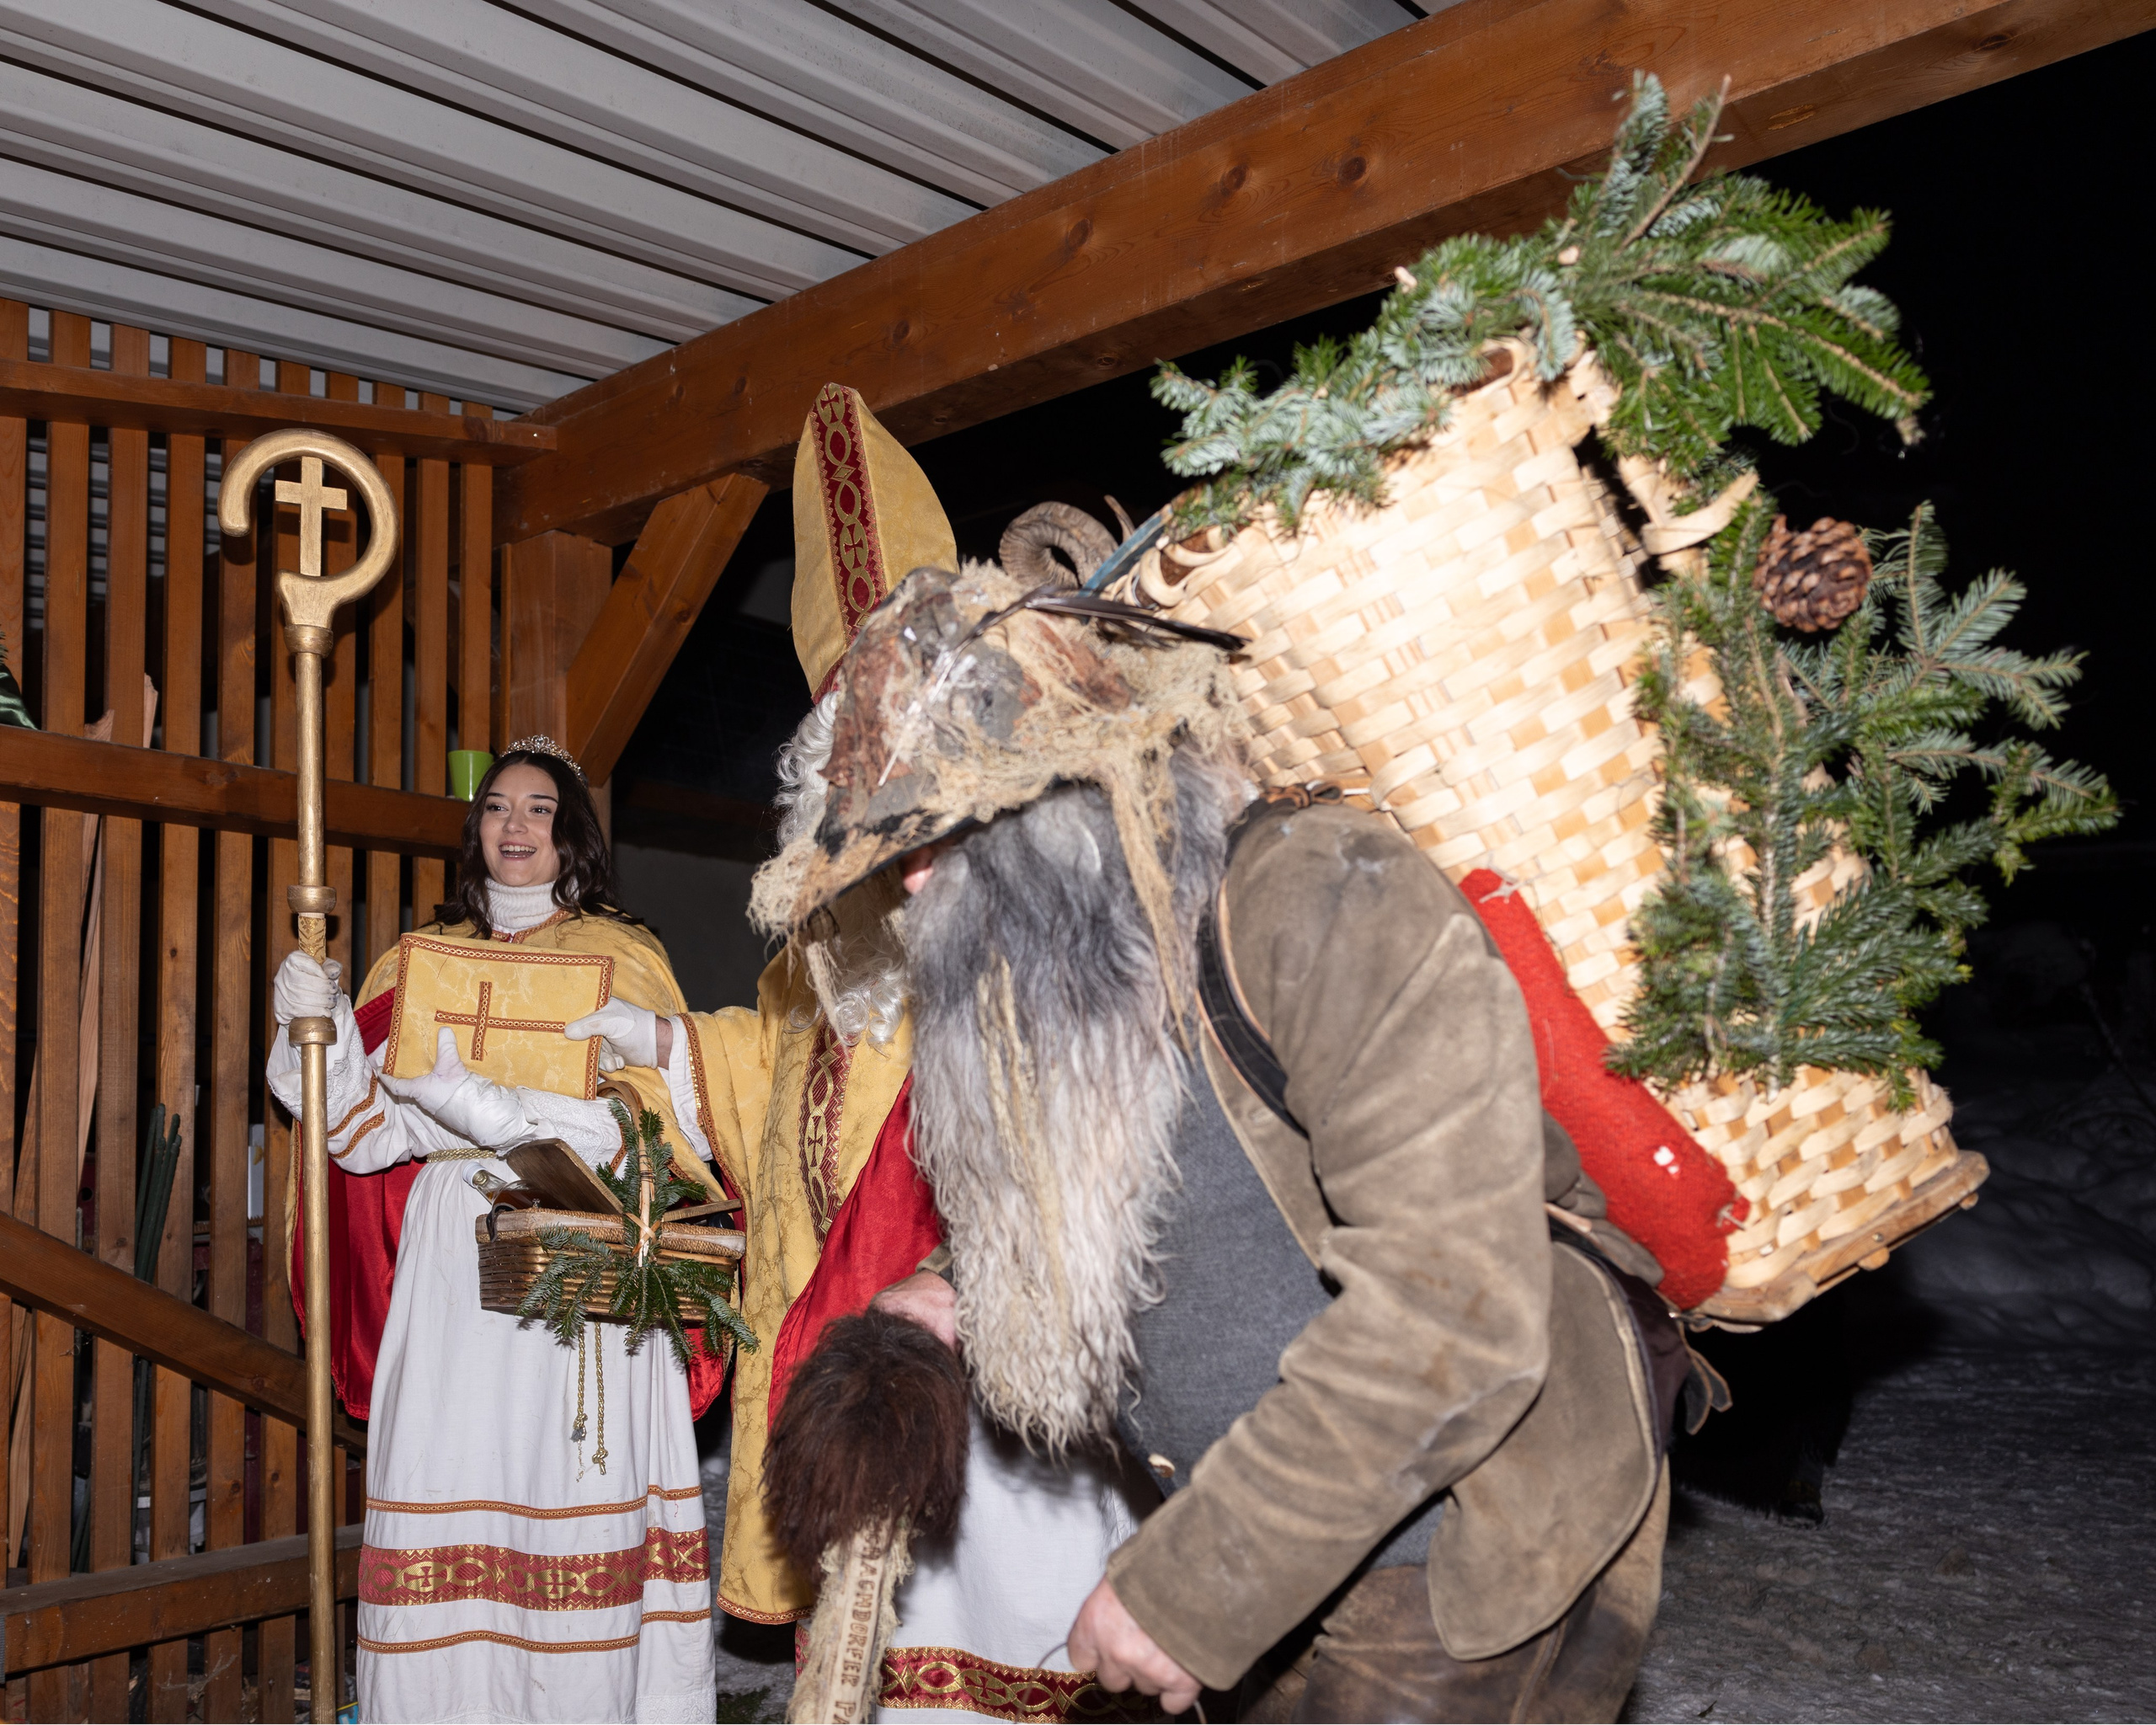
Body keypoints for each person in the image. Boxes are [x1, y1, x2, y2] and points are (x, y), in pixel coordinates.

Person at [744, 559, 1676, 1723]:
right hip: (1253, 1537)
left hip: (1462, 1537)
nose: (913, 886)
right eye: (896, 858)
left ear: (1059, 797)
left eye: (930, 841)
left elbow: (1456, 1305)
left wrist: (1193, 1588)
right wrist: (954, 1285)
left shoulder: (1324, 894)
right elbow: (1124, 1179)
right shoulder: (1079, 965)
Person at [571, 383, 1155, 1721]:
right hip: (854, 1343)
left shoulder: (1031, 882)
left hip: (997, 1346)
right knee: (874, 1657)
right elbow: (779, 1075)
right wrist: (668, 1039)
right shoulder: (822, 934)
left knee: (1027, 1625)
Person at [267, 740, 721, 1725]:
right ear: (474, 830)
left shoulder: (621, 956)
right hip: (450, 1260)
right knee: (449, 1465)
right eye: (497, 807)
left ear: (571, 834)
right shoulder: (415, 961)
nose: (515, 825)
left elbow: (660, 1131)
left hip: (572, 1238)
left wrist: (501, 1109)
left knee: (566, 1480)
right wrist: (320, 1028)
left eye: (539, 808)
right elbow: (362, 1136)